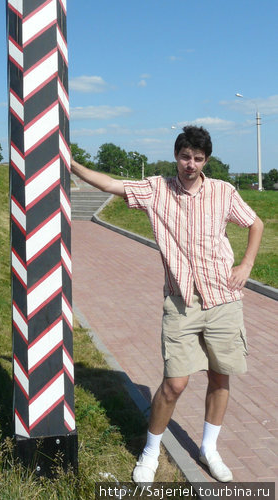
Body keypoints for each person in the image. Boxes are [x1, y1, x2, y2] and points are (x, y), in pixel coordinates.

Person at [71, 126, 263, 483]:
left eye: (198, 158)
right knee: (175, 384)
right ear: (176, 156)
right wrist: (72, 165)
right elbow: (110, 184)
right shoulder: (157, 189)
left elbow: (256, 224)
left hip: (224, 299)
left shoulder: (223, 191)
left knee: (221, 379)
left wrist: (247, 265)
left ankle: (209, 449)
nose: (190, 164)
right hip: (181, 302)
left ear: (207, 160)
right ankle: (150, 451)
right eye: (185, 156)